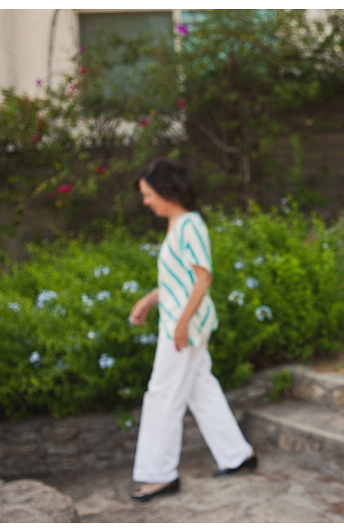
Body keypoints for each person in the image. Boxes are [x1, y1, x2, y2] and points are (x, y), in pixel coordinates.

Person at [128, 158, 257, 501]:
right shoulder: (177, 225)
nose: (146, 201)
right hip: (179, 320)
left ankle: (159, 475)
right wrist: (150, 299)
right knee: (201, 390)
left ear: (165, 190)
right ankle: (237, 455)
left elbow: (203, 277)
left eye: (147, 194)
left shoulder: (190, 225)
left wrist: (182, 322)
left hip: (183, 326)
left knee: (162, 394)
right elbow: (180, 280)